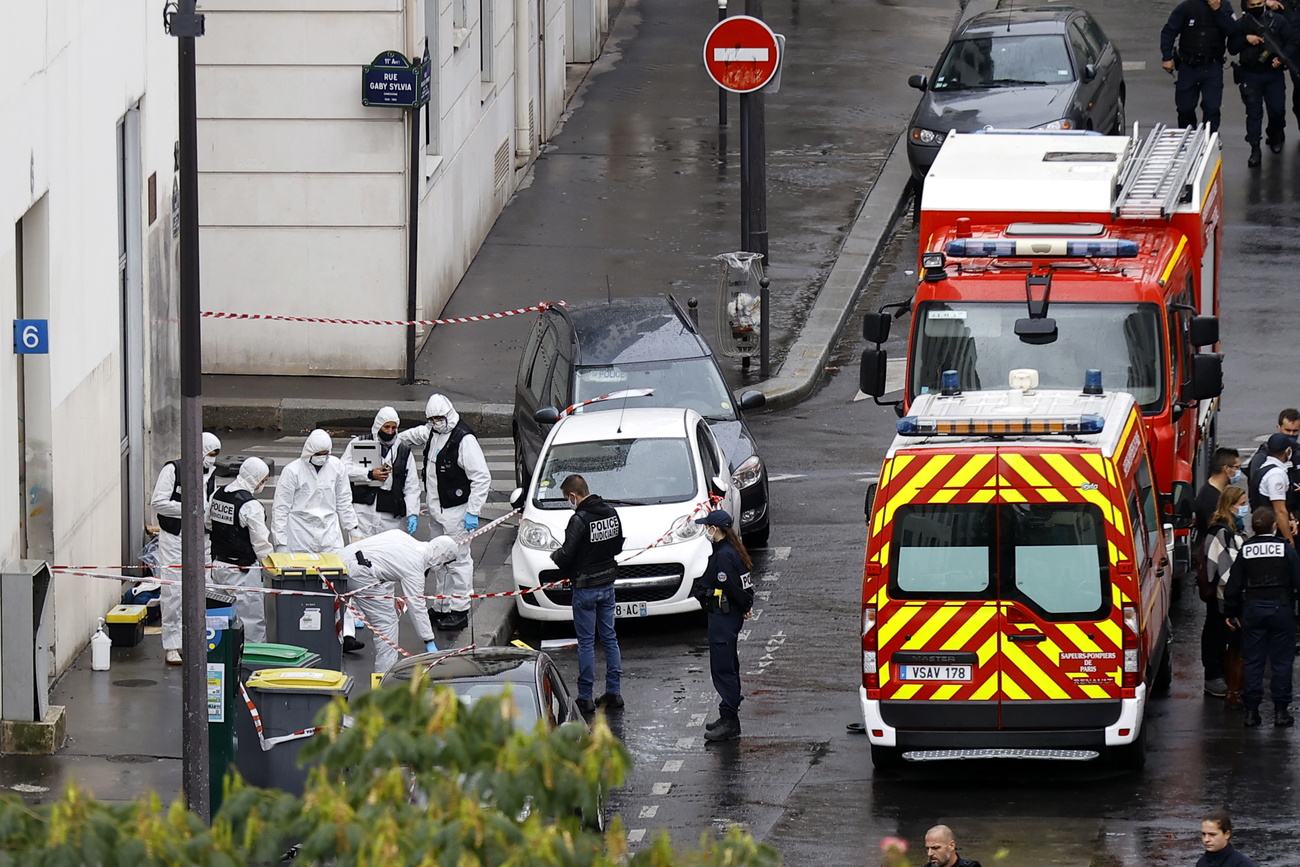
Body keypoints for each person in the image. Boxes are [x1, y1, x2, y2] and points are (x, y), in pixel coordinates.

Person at [398, 395, 491, 633]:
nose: (437, 422)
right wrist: (388, 439)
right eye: (432, 419)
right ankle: (442, 606)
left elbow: (481, 477)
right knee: (440, 561)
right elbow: (414, 435)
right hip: (438, 509)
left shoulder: (464, 440)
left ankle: (459, 610)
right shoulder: (433, 432)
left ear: (448, 415)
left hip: (457, 511)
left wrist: (473, 511)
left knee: (459, 562)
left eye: (439, 418)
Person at [272, 429, 366, 650]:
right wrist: (281, 542)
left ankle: (346, 632)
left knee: (340, 581)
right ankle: (302, 630)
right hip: (300, 532)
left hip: (329, 531)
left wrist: (352, 528)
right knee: (302, 582)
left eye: (326, 452)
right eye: (319, 452)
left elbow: (344, 499)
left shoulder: (336, 467)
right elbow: (280, 507)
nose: (323, 456)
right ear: (309, 451)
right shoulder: (292, 471)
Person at [550, 474, 624, 714]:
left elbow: (567, 555)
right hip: (607, 583)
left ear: (574, 495)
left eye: (567, 498)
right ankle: (614, 692)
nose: (568, 503)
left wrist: (555, 555)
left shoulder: (579, 519)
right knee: (610, 638)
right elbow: (617, 546)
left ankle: (585, 697)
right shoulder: (611, 513)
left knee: (586, 643)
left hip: (585, 588)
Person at [339, 530, 458, 674]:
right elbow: (416, 604)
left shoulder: (403, 537)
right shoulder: (415, 564)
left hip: (340, 562)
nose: (442, 566)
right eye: (445, 563)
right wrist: (428, 639)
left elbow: (384, 566)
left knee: (333, 618)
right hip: (360, 573)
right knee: (387, 624)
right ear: (442, 556)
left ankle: (330, 668)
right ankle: (384, 678)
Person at [1223, 506, 1300, 726]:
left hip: (1253, 610)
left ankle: (1251, 712)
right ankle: (1281, 712)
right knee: (1282, 662)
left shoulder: (1246, 549)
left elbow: (1234, 585)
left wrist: (1231, 611)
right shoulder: (1285, 549)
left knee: (1253, 661)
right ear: (1274, 526)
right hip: (1281, 609)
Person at [152, 431, 221, 665]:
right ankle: (172, 645)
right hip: (175, 538)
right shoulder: (173, 470)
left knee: (207, 587)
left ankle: (205, 638)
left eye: (215, 455)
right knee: (173, 592)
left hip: (203, 538)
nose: (212, 459)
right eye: (210, 454)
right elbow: (159, 502)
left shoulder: (211, 474)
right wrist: (190, 509)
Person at [691, 509, 755, 743]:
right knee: (728, 665)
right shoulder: (729, 550)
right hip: (725, 616)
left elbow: (732, 587)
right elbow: (745, 584)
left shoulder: (724, 556)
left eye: (707, 526)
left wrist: (745, 603)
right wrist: (747, 603)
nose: (705, 530)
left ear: (715, 529)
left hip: (723, 618)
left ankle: (730, 721)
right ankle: (727, 714)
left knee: (723, 669)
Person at [207, 457, 274, 642]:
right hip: (243, 573)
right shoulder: (250, 506)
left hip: (218, 566)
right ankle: (251, 662)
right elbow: (261, 544)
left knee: (221, 619)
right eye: (263, 480)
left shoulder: (218, 494)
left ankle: (223, 657)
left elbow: (208, 523)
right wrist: (272, 567)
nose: (262, 484)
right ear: (256, 478)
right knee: (251, 622)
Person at [1230, 0, 1293, 166]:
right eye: (1252, 5)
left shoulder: (1276, 21)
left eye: (1259, 3)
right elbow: (1232, 48)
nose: (1257, 7)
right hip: (1251, 74)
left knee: (1277, 110)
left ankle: (1274, 134)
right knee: (1253, 113)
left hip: (1273, 74)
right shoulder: (1242, 25)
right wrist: (1246, 40)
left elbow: (1291, 41)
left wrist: (1282, 58)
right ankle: (1255, 148)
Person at [342, 407, 421, 537]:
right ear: (378, 426)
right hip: (363, 513)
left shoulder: (403, 451)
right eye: (386, 427)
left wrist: (412, 513)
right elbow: (343, 470)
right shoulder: (360, 443)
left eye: (394, 428)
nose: (390, 432)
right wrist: (369, 474)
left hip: (390, 516)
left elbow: (411, 486)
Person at [1161, 0, 1238, 132]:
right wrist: (1167, 57)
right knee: (1185, 107)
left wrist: (1217, 11)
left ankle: (1210, 136)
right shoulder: (1187, 7)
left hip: (1212, 65)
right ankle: (1188, 135)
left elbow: (1231, 30)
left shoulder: (1224, 7)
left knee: (1212, 107)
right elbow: (1169, 31)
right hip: (1188, 65)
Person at [1200, 485, 1248, 701]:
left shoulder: (1228, 530)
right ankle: (1214, 677)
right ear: (1230, 506)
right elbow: (1225, 571)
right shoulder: (1222, 532)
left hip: (1222, 596)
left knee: (1219, 635)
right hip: (1221, 596)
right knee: (1217, 634)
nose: (1246, 508)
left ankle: (1220, 676)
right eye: (1243, 504)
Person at [1245, 408, 1300, 513]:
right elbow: (1254, 486)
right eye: (1287, 430)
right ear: (1279, 428)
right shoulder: (1263, 456)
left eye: (1295, 431)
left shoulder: (1298, 453)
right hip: (1272, 513)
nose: (1291, 435)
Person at [1250, 433, 1298, 545]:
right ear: (1288, 451)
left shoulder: (1264, 468)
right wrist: (1289, 540)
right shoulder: (1276, 475)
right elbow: (1279, 510)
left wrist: (1291, 520)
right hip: (1273, 534)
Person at [1194, 448, 1243, 539]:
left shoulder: (1214, 491)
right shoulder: (1211, 499)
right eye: (1237, 467)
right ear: (1226, 469)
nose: (1239, 471)